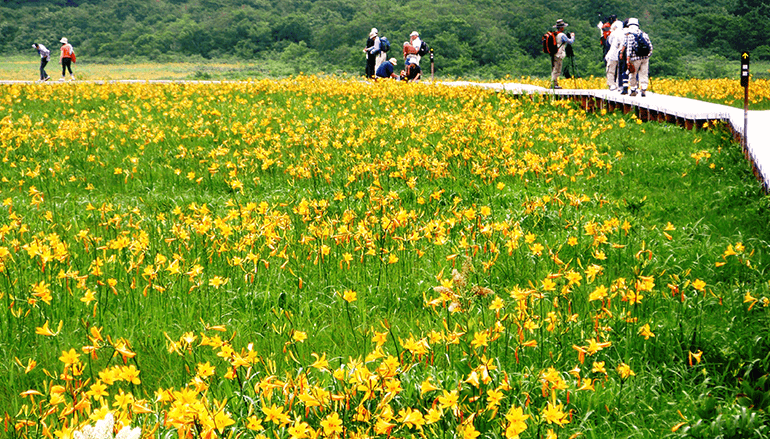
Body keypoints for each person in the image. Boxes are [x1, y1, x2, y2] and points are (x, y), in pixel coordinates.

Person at [624, 18, 653, 97]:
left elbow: (629, 49)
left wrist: (628, 60)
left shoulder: (630, 35)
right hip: (645, 58)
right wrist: (648, 55)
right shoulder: (644, 34)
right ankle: (643, 89)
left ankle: (633, 89)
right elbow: (650, 46)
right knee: (644, 74)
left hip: (635, 58)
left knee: (633, 73)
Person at [550, 19, 575, 89]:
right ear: (561, 27)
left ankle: (555, 84)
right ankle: (553, 84)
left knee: (554, 68)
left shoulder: (555, 34)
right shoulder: (562, 35)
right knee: (557, 70)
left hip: (553, 53)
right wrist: (572, 36)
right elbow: (570, 41)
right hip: (559, 54)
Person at [603, 20, 624, 91]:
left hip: (612, 54)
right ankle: (619, 85)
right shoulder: (624, 33)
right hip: (621, 54)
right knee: (620, 71)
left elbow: (609, 42)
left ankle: (612, 84)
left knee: (611, 70)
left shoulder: (613, 33)